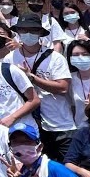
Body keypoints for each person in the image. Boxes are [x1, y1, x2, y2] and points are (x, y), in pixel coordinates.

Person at [13, 14, 76, 160]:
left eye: (33, 30)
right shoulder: (10, 58)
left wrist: (32, 78)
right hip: (28, 123)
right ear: (18, 32)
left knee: (67, 165)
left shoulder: (55, 58)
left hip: (58, 122)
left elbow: (63, 87)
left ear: (40, 33)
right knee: (35, 165)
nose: (28, 34)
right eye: (24, 30)